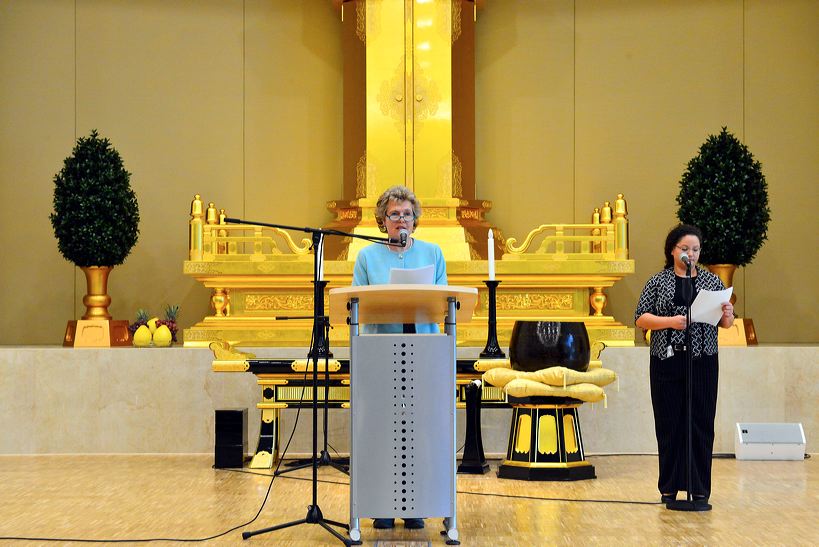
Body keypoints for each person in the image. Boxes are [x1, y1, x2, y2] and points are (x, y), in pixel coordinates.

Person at [352, 185, 447, 530]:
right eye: (394, 214)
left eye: (407, 214)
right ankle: (380, 504)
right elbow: (357, 306)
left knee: (420, 429)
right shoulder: (367, 257)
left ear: (415, 220)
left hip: (423, 355)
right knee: (381, 429)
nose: (401, 219)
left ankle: (416, 505)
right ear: (382, 220)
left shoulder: (433, 253)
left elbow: (443, 302)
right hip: (381, 355)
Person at [634, 224, 734, 505]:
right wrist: (670, 322)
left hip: (702, 360)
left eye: (695, 249)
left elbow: (725, 324)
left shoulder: (712, 282)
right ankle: (669, 487)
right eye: (685, 249)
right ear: (672, 250)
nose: (691, 253)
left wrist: (727, 313)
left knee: (701, 422)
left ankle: (700, 488)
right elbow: (641, 317)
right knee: (669, 423)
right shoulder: (657, 281)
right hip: (667, 359)